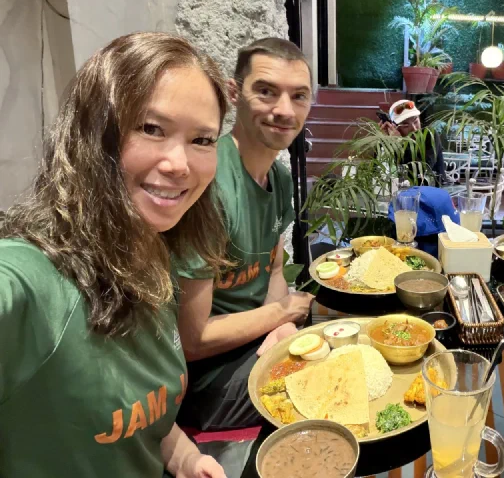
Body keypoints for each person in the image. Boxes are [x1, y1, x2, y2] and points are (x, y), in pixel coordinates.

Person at [0, 33, 229, 477]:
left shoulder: (152, 257)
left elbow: (146, 419)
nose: (180, 163)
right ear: (92, 131)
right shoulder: (33, 276)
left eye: (202, 139)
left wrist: (187, 460)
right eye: (151, 128)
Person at [176, 38, 315, 431]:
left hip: (254, 344)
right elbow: (192, 339)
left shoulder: (281, 180)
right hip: (202, 379)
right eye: (266, 91)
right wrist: (283, 312)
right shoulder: (210, 183)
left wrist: (283, 328)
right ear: (235, 93)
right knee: (322, 384)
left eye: (298, 96)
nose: (284, 110)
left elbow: (272, 271)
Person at [380, 99, 446, 186]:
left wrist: (400, 143)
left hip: (432, 190)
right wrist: (383, 140)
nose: (414, 128)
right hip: (403, 191)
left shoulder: (430, 135)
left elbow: (422, 171)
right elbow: (378, 169)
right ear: (394, 127)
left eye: (416, 121)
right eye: (406, 125)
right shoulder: (392, 141)